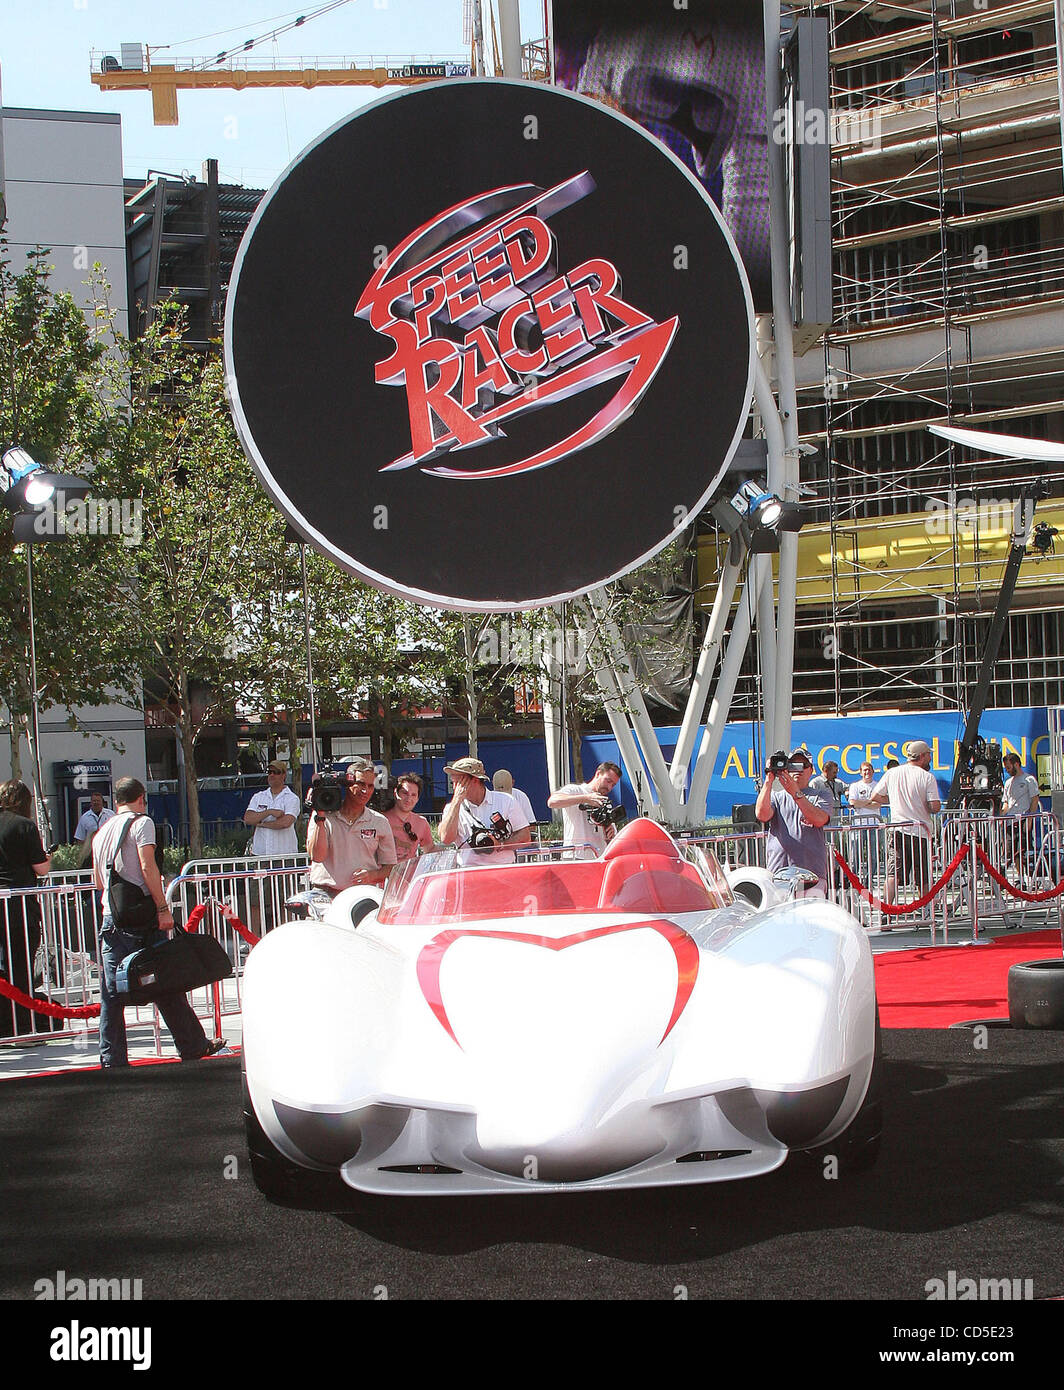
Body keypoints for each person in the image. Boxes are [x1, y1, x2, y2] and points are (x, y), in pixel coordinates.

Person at [93, 777, 225, 1068]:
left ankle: (111, 1058)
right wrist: (163, 907)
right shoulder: (142, 823)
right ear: (141, 798)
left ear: (116, 801)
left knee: (111, 993)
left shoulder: (102, 831)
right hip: (142, 918)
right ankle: (192, 1044)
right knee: (164, 980)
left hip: (111, 918)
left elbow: (99, 880)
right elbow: (146, 865)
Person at [0, 780, 52, 1040]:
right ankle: (21, 1024)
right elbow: (41, 867)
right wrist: (48, 859)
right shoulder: (24, 825)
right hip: (19, 908)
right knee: (20, 966)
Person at [307, 758, 397, 894]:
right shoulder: (322, 816)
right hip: (324, 893)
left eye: (370, 786)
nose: (365, 790)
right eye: (360, 784)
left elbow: (390, 866)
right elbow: (317, 856)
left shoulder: (379, 822)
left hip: (363, 894)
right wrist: (320, 816)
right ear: (347, 783)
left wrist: (372, 875)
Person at [872, 739, 941, 910]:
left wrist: (893, 800)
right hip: (920, 831)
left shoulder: (892, 773)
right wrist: (924, 804)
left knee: (893, 873)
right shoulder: (927, 777)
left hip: (897, 830)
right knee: (923, 875)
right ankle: (926, 913)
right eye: (929, 755)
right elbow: (934, 806)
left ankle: (885, 912)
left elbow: (875, 796)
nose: (930, 758)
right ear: (923, 756)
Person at [754, 749, 832, 897]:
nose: (798, 769)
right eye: (793, 765)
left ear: (812, 770)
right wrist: (769, 778)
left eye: (803, 765)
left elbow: (820, 819)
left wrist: (795, 793)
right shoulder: (776, 797)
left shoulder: (822, 795)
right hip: (779, 876)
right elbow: (761, 814)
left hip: (812, 875)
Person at [439, 757, 531, 865]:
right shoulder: (452, 808)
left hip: (502, 870)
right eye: (453, 783)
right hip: (469, 871)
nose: (456, 788)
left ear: (475, 780)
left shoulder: (506, 801)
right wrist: (456, 801)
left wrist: (500, 845)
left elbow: (525, 837)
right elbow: (445, 839)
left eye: (459, 782)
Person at [547, 762, 622, 858]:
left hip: (598, 857)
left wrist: (610, 834)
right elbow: (552, 802)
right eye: (608, 781)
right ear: (598, 774)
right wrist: (585, 798)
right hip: (575, 856)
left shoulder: (605, 802)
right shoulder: (575, 790)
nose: (609, 787)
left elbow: (610, 839)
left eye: (613, 785)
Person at [244, 760, 302, 856]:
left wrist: (262, 824)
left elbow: (285, 822)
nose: (272, 775)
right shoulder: (258, 796)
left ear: (284, 775)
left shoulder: (292, 798)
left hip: (284, 854)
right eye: (270, 772)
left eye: (276, 772)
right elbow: (248, 818)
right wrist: (269, 812)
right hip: (261, 853)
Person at [1001, 752, 1041, 879]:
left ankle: (1032, 877)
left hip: (1023, 818)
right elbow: (1006, 803)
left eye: (1008, 767)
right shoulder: (1008, 782)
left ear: (1016, 764)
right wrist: (1001, 816)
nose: (1007, 770)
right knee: (1011, 851)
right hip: (1010, 821)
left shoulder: (1029, 779)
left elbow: (1034, 800)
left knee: (1024, 850)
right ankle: (1020, 877)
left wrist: (1030, 819)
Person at [384, 772, 435, 865]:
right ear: (395, 793)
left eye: (413, 795)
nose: (408, 799)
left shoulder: (421, 822)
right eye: (405, 793)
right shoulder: (381, 820)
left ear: (417, 798)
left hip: (410, 877)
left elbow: (430, 850)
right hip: (384, 877)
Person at [847, 761, 882, 885]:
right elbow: (853, 802)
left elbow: (879, 804)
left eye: (869, 769)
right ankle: (853, 878)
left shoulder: (878, 786)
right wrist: (869, 801)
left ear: (873, 771)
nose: (867, 772)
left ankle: (869, 879)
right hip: (858, 824)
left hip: (874, 824)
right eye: (864, 770)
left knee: (873, 855)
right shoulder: (855, 786)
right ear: (861, 772)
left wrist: (862, 802)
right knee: (855, 853)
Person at [73, 792, 114, 866]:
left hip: (108, 850)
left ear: (102, 802)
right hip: (91, 853)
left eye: (98, 801)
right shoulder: (84, 818)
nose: (96, 803)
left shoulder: (110, 814)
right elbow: (80, 839)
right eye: (94, 801)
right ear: (91, 802)